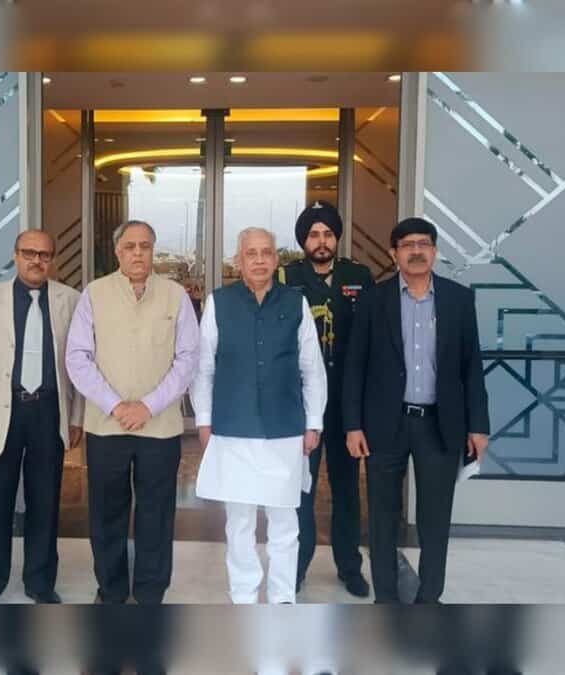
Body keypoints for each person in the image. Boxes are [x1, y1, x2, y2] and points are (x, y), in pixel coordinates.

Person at [343, 217, 490, 604]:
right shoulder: (374, 300)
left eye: (424, 243)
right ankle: (386, 600)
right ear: (394, 254)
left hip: (440, 426)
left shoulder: (459, 300)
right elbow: (355, 364)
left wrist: (479, 425)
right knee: (382, 518)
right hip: (384, 426)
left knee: (435, 519)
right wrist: (353, 425)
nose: (416, 250)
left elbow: (471, 367)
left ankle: (429, 601)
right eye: (407, 244)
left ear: (435, 251)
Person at [65, 220, 199, 604]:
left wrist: (149, 406)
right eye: (129, 246)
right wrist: (116, 405)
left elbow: (188, 359)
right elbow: (77, 357)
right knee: (107, 516)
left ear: (153, 250)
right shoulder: (95, 293)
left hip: (160, 428)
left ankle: (150, 592)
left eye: (145, 246)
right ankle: (110, 590)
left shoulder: (175, 296)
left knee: (156, 515)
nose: (138, 253)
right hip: (107, 427)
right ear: (117, 251)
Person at [192, 227, 326, 604]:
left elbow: (312, 369)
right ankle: (244, 598)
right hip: (233, 429)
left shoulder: (295, 303)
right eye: (251, 253)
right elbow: (203, 368)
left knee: (285, 523)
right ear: (239, 260)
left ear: (276, 259)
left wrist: (313, 423)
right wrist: (203, 419)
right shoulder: (219, 302)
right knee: (240, 523)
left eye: (267, 252)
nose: (260, 260)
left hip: (285, 430)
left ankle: (283, 599)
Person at [0, 230, 85, 604]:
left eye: (45, 255)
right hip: (1, 413)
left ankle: (40, 583)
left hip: (49, 411)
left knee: (45, 503)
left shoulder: (72, 301)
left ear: (53, 259)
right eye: (29, 253)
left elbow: (78, 365)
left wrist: (76, 416)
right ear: (15, 256)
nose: (37, 261)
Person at [277, 201, 374, 598]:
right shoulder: (288, 276)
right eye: (314, 234)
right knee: (301, 486)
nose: (322, 241)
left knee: (348, 488)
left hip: (347, 401)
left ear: (336, 238)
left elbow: (368, 336)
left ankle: (349, 566)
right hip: (302, 402)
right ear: (304, 240)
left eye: (328, 234)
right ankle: (296, 566)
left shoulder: (358, 275)